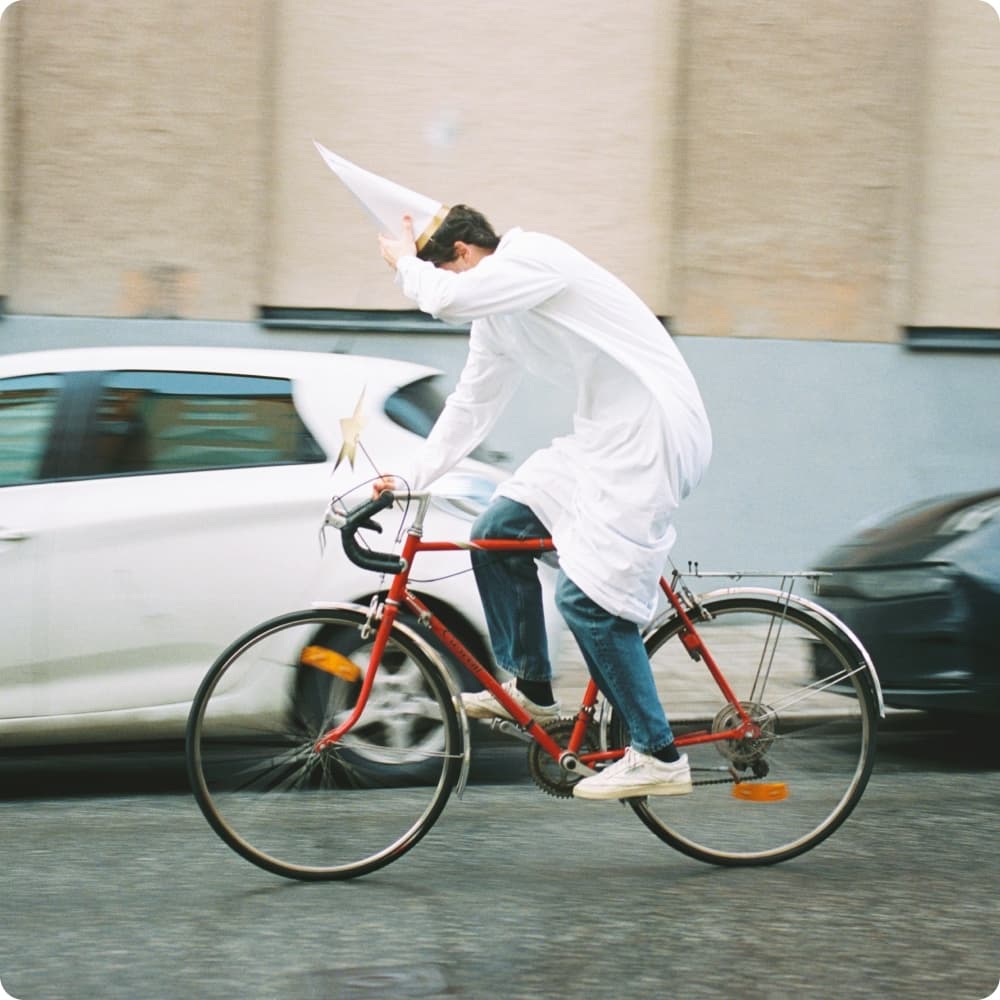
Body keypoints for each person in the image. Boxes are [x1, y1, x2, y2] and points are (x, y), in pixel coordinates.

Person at [376, 205, 712, 800]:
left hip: (651, 435)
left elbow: (447, 300)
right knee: (497, 532)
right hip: (599, 438)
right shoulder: (498, 319)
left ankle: (658, 754)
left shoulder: (535, 258)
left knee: (584, 600)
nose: (458, 297)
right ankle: (529, 685)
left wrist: (404, 262)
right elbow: (470, 407)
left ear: (464, 257)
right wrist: (411, 478)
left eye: (448, 273)